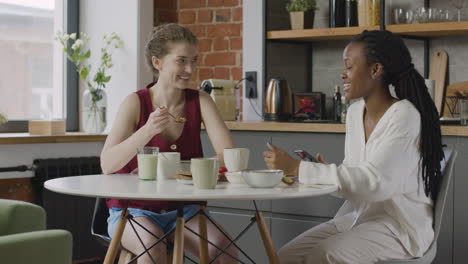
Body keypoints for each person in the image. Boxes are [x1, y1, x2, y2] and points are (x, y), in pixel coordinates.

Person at [263, 30, 444, 263]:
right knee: (286, 256)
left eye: (349, 67)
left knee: (324, 255)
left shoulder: (404, 115)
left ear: (375, 69)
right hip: (360, 218)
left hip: (399, 227)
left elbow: (376, 184)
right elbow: (356, 176)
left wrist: (300, 169)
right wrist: (325, 171)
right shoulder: (355, 112)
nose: (343, 74)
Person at [100, 23, 237, 263]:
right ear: (157, 62)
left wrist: (178, 170)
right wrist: (148, 130)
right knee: (152, 245)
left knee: (223, 248)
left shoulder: (201, 101)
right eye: (181, 61)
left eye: (194, 60)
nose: (190, 69)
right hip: (133, 211)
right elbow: (107, 164)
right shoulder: (135, 103)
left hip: (187, 210)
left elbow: (229, 156)